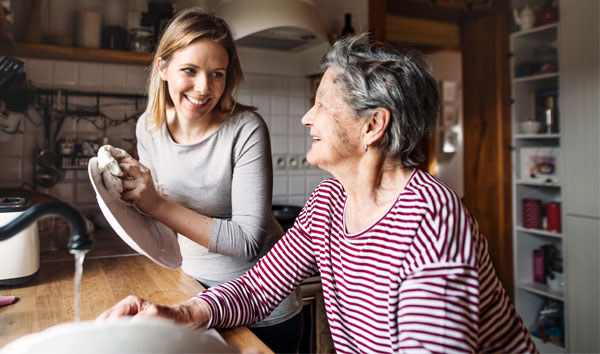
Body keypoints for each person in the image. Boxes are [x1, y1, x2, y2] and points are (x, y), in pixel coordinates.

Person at [99, 33, 537, 353]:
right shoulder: (330, 201)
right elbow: (258, 287)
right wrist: (181, 313)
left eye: (322, 105)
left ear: (372, 126)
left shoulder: (431, 219)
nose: (307, 118)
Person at [114, 8, 303, 353]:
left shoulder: (246, 130)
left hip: (262, 308)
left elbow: (247, 241)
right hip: (193, 294)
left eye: (217, 74)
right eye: (190, 70)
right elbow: (160, 223)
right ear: (163, 67)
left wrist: (155, 202)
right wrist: (124, 193)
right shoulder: (149, 128)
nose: (204, 88)